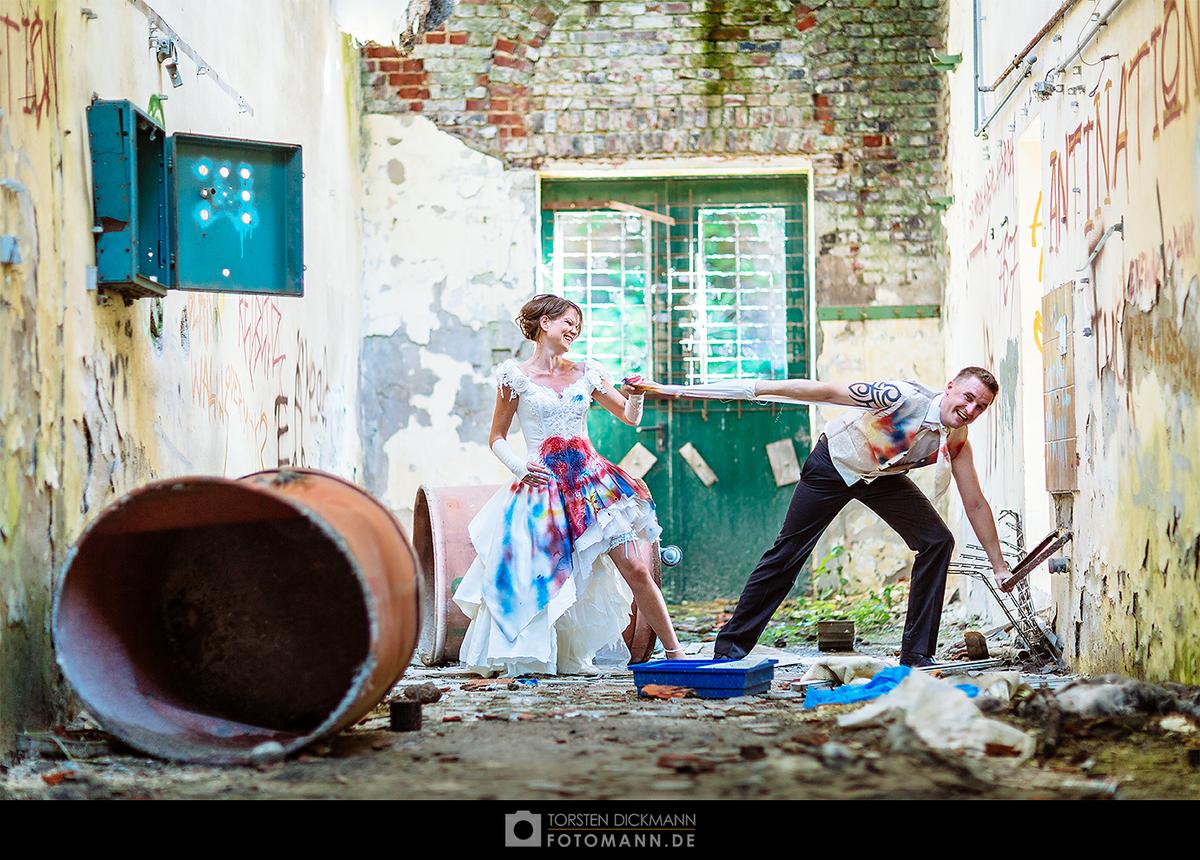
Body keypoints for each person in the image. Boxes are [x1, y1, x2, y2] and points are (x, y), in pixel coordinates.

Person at [627, 369, 1010, 667]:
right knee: (788, 552)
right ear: (950, 388)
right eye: (968, 398)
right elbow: (823, 391)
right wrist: (688, 390)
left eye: (981, 407)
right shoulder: (898, 397)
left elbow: (974, 502)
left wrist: (999, 566)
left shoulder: (956, 439)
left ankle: (916, 654)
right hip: (835, 463)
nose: (971, 410)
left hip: (881, 478)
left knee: (936, 541)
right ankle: (729, 648)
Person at [453, 294, 686, 676]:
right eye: (568, 322)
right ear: (544, 324)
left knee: (636, 567)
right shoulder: (514, 376)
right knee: (543, 577)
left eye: (578, 325)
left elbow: (628, 417)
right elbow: (495, 436)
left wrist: (638, 396)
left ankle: (677, 656)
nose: (574, 330)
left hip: (591, 485)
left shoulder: (587, 371)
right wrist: (519, 467)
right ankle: (541, 656)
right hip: (540, 488)